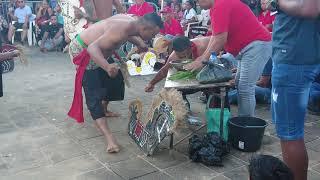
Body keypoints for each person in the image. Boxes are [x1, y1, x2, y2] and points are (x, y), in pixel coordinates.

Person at [68, 13, 163, 153]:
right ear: (144, 28)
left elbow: (126, 33)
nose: (153, 38)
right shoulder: (120, 31)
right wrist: (106, 66)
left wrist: (140, 43)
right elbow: (92, 48)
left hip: (98, 48)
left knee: (117, 78)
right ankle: (110, 138)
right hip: (83, 51)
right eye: (153, 34)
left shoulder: (133, 23)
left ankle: (104, 109)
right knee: (93, 93)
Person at [185, 0, 271, 117]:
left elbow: (220, 39)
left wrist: (202, 59)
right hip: (247, 49)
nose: (197, 3)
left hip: (256, 45)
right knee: (239, 84)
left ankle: (245, 125)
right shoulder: (215, 8)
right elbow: (215, 37)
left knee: (245, 88)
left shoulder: (221, 4)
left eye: (197, 0)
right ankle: (243, 121)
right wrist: (203, 58)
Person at [268, 1, 320, 179]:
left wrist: (276, 2)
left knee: (290, 133)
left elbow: (310, 8)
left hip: (293, 57)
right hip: (295, 55)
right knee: (290, 131)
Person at [145, 36, 209, 93]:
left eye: (187, 53)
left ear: (191, 47)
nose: (186, 57)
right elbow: (164, 71)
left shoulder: (202, 47)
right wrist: (151, 83)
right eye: (182, 57)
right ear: (175, 52)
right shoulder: (173, 57)